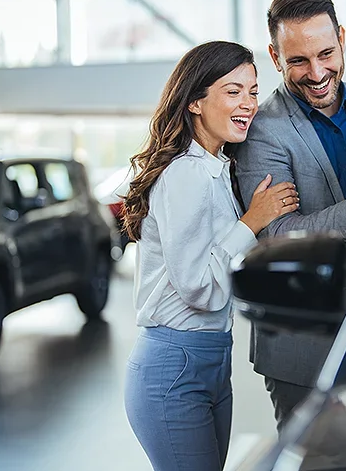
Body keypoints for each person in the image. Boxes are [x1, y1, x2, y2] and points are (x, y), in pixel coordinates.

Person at [233, 0, 346, 431]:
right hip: (305, 343)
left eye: (326, 53)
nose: (316, 73)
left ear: (343, 39)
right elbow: (275, 236)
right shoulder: (260, 131)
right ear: (275, 58)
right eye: (298, 60)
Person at [121, 40, 300, 471]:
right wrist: (252, 221)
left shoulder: (218, 168)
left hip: (212, 357)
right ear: (196, 102)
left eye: (253, 91)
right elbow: (199, 289)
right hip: (174, 365)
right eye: (232, 91)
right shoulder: (186, 173)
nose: (248, 103)